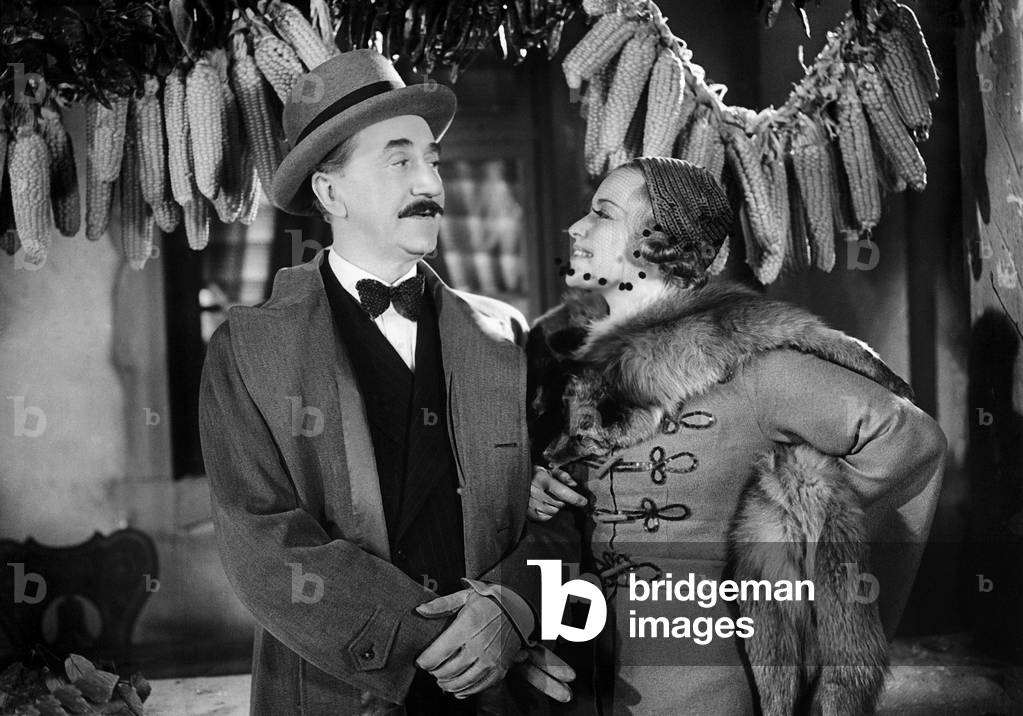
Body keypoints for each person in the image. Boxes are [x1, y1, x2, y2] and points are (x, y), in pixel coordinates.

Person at [199, 50, 577, 715]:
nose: (428, 181)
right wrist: (443, 640)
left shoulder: (507, 337)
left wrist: (514, 609)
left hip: (495, 695)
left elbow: (569, 508)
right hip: (333, 692)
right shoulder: (248, 350)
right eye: (399, 161)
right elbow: (259, 541)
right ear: (329, 192)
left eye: (432, 160)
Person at [525, 157, 947, 714]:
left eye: (601, 214)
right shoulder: (580, 373)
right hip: (588, 669)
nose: (576, 229)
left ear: (664, 245)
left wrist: (795, 526)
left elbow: (912, 442)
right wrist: (543, 498)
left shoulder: (751, 369)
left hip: (697, 682)